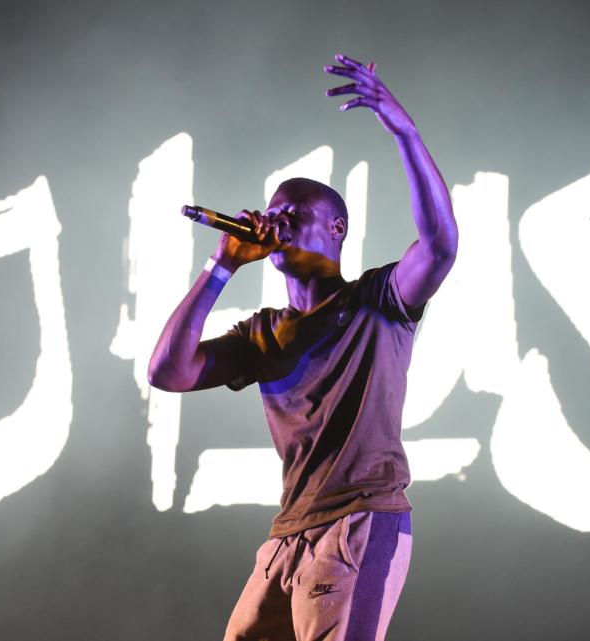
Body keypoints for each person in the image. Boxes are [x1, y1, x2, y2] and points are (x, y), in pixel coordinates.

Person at [148, 54, 457, 641]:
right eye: (271, 213)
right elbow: (168, 372)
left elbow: (440, 245)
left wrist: (403, 129)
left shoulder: (377, 299)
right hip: (289, 533)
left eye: (294, 212)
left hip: (360, 518)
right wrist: (221, 266)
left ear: (336, 227)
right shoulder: (263, 333)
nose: (277, 220)